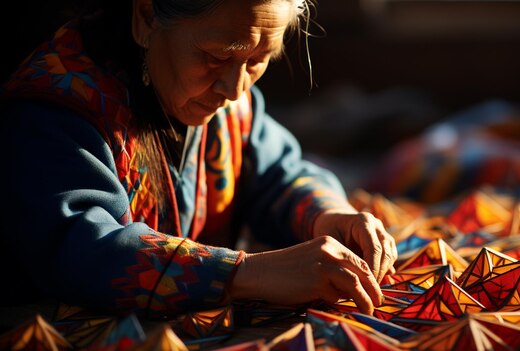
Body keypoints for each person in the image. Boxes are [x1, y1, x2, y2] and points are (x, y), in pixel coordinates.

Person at [0, 0, 397, 319]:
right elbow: (84, 249)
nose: (235, 89)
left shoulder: (229, 106)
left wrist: (329, 216)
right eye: (217, 56)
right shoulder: (56, 111)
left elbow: (281, 172)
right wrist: (247, 273)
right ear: (145, 16)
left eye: (259, 60)